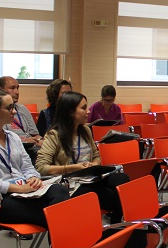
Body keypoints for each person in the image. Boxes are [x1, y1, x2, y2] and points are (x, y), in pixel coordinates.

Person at [0, 89, 69, 228]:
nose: (14, 111)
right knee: (56, 213)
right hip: (1, 198)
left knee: (59, 191)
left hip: (26, 190)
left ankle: (61, 233)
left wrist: (33, 177)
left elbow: (27, 166)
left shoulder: (13, 137)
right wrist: (19, 188)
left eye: (13, 107)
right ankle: (64, 234)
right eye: (9, 108)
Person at [35, 91, 129, 223]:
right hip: (71, 183)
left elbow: (96, 156)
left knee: (122, 179)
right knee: (112, 197)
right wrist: (75, 168)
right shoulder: (54, 135)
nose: (88, 112)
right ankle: (116, 225)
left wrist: (94, 165)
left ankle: (117, 224)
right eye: (83, 108)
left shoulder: (85, 130)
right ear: (71, 112)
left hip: (91, 178)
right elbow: (41, 168)